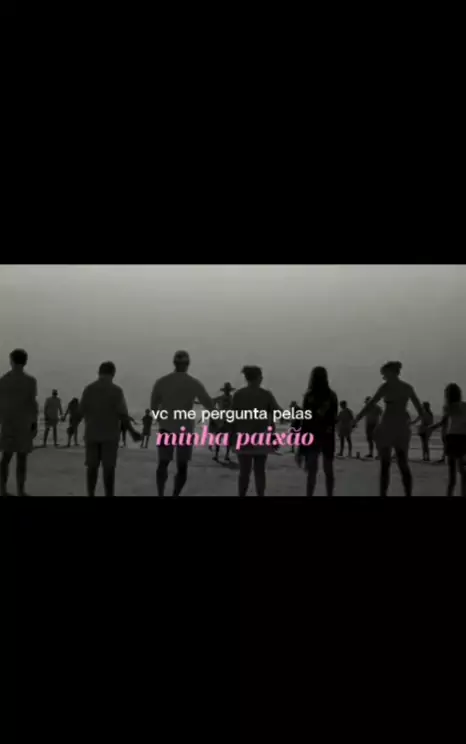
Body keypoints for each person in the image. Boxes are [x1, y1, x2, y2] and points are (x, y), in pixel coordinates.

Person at [352, 361, 428, 497]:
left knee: (385, 465)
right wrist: (412, 422)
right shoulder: (407, 387)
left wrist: (357, 419)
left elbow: (371, 404)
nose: (383, 376)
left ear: (391, 372)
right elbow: (421, 412)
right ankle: (408, 494)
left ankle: (383, 494)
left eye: (384, 373)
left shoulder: (386, 387)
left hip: (387, 425)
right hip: (402, 426)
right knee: (403, 463)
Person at [150, 350, 213, 497]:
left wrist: (160, 419)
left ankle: (160, 493)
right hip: (185, 429)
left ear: (174, 363)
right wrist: (220, 421)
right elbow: (208, 403)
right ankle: (175, 494)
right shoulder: (193, 383)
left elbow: (153, 406)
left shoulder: (162, 382)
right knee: (182, 467)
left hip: (166, 428)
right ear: (188, 364)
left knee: (163, 463)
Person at [78, 361, 142, 497]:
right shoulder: (116, 391)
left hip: (92, 434)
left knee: (92, 468)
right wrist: (132, 432)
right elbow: (123, 415)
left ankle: (91, 494)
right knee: (109, 469)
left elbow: (81, 411)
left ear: (99, 372)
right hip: (110, 436)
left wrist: (72, 427)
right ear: (113, 373)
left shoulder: (89, 389)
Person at [231, 366, 282, 497]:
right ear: (258, 378)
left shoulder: (238, 394)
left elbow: (232, 418)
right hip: (261, 438)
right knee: (260, 472)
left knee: (244, 472)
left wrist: (231, 437)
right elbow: (278, 413)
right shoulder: (266, 394)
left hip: (243, 438)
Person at [0, 349, 38, 497]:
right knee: (22, 459)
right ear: (25, 362)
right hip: (23, 423)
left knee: (6, 457)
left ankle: (2, 489)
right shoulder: (30, 381)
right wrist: (34, 424)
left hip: (8, 422)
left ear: (11, 360)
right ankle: (21, 490)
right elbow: (32, 404)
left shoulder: (4, 380)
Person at [295, 367, 338, 497]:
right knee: (328, 470)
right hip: (327, 435)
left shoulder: (309, 396)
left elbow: (305, 421)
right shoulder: (331, 396)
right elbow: (333, 419)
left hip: (312, 435)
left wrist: (300, 447)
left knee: (312, 472)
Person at [427, 384, 466, 496]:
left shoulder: (448, 407)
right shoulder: (464, 405)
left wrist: (432, 427)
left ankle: (449, 494)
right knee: (463, 471)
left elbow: (443, 421)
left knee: (452, 474)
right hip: (463, 438)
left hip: (452, 437)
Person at [212, 382, 235, 463]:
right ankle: (217, 455)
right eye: (226, 390)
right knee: (219, 438)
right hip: (221, 420)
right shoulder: (221, 398)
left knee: (228, 439)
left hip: (228, 420)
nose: (227, 391)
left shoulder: (233, 399)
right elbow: (210, 402)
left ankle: (226, 455)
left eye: (228, 390)